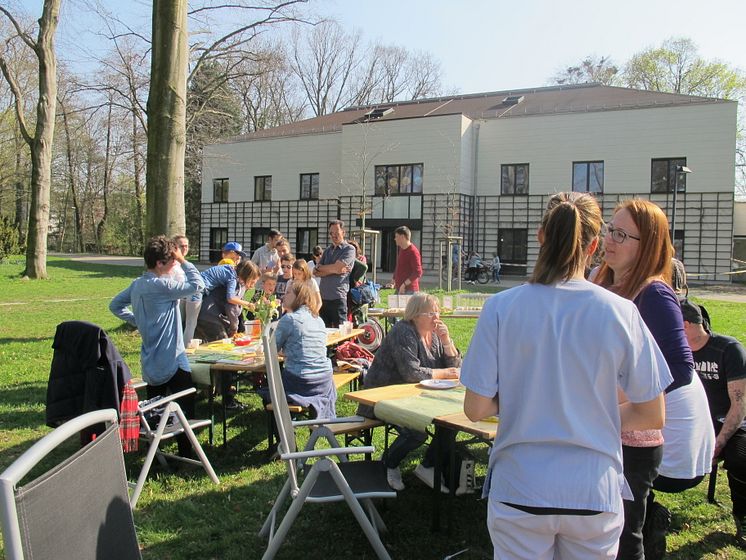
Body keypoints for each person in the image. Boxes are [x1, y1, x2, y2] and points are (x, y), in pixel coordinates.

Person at [461, 192, 670, 560]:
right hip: (593, 489)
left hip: (520, 486)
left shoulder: (500, 307)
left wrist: (530, 404)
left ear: (541, 236)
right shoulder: (621, 312)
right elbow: (652, 414)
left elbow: (476, 408)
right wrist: (589, 416)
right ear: (594, 247)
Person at [593, 199, 715, 560]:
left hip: (649, 435)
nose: (608, 241)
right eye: (608, 231)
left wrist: (619, 397)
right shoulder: (609, 283)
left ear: (646, 246)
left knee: (622, 535)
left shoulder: (654, 292)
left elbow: (679, 368)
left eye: (620, 234)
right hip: (618, 425)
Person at [109, 235, 205, 456]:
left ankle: (156, 452)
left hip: (150, 363)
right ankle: (186, 454)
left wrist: (139, 321)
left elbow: (115, 306)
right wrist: (184, 260)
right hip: (172, 360)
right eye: (172, 260)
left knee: (156, 409)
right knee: (185, 407)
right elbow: (197, 285)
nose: (175, 263)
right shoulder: (163, 285)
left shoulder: (138, 285)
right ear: (160, 264)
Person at [360, 293, 461, 491]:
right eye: (431, 313)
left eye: (437, 312)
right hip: (383, 397)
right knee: (416, 432)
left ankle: (428, 466)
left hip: (418, 396)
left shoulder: (435, 335)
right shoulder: (403, 331)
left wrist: (447, 341)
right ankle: (389, 463)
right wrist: (443, 373)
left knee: (451, 422)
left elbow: (456, 366)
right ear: (415, 315)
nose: (436, 317)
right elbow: (411, 373)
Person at [682, 298, 746, 547]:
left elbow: (739, 405)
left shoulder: (728, 349)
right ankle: (645, 515)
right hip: (694, 421)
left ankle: (742, 516)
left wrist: (718, 442)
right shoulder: (677, 351)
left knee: (742, 460)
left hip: (729, 422)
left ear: (686, 325)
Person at [274, 280, 336, 420]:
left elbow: (270, 350)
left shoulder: (289, 319)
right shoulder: (318, 320)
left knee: (269, 390)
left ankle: (283, 438)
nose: (284, 296)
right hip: (325, 381)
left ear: (299, 297)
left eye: (288, 292)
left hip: (302, 380)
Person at [314, 220, 355, 327]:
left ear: (343, 232)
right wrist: (335, 270)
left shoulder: (349, 249)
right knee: (324, 333)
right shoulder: (327, 251)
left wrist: (324, 269)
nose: (334, 235)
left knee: (340, 334)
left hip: (338, 298)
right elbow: (315, 272)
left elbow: (337, 267)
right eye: (331, 233)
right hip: (323, 298)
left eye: (337, 232)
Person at [392, 226, 423, 294]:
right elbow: (399, 266)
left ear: (402, 237)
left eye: (396, 236)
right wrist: (394, 279)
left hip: (410, 291)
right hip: (399, 288)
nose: (395, 239)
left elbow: (418, 272)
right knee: (393, 305)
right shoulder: (401, 249)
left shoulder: (413, 252)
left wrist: (404, 284)